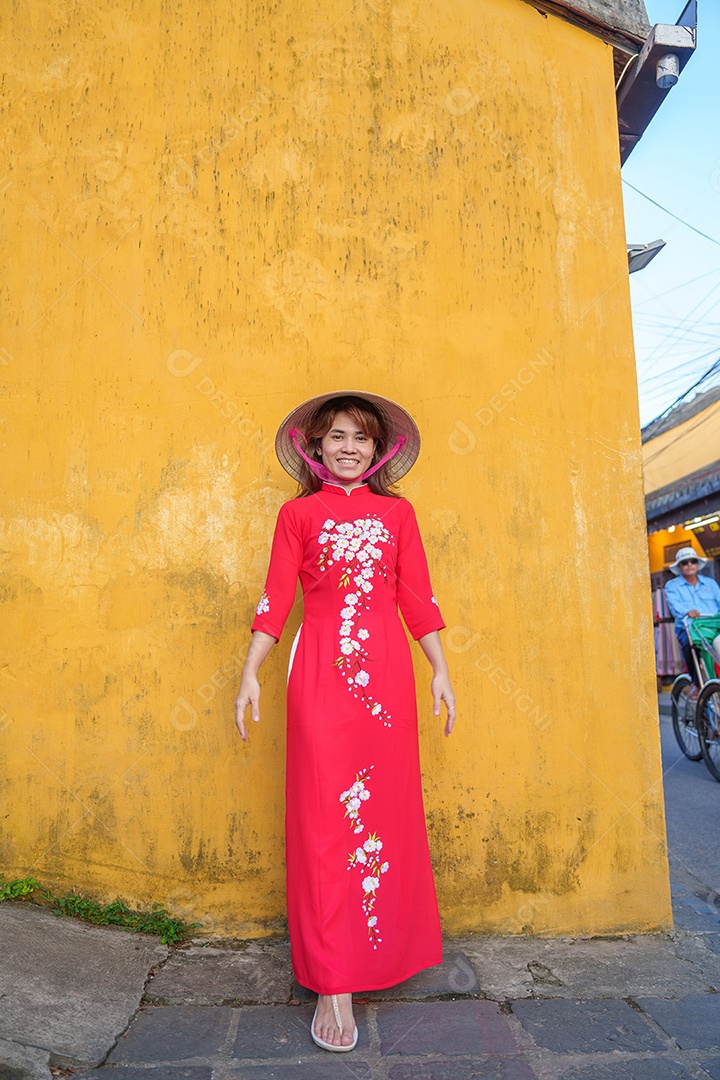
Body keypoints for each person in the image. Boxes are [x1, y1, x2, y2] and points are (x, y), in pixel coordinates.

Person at [234, 391, 456, 1053]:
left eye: (361, 438)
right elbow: (277, 598)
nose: (349, 448)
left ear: (379, 449)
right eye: (337, 437)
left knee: (383, 814)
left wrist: (440, 668)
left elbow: (417, 596)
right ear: (315, 446)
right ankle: (334, 981)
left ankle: (378, 955)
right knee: (326, 820)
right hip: (321, 676)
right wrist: (250, 668)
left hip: (388, 683)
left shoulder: (398, 514)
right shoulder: (297, 514)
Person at [664, 546, 720, 698]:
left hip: (713, 627)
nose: (689, 565)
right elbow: (675, 607)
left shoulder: (710, 583)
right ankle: (696, 683)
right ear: (679, 566)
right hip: (689, 628)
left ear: (697, 564)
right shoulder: (672, 586)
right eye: (685, 562)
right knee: (690, 645)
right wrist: (687, 611)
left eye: (692, 561)